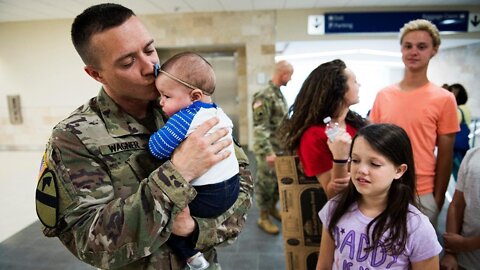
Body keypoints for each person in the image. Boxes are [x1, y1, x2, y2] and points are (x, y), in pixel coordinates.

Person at [34, 4, 253, 270]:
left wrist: (196, 229)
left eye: (149, 49)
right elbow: (88, 242)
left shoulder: (185, 109)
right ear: (96, 74)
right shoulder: (74, 137)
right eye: (128, 62)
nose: (150, 66)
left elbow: (241, 186)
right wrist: (177, 174)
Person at [149, 52, 240, 269]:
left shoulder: (185, 117)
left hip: (208, 195)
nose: (160, 102)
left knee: (165, 219)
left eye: (166, 96)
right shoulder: (218, 112)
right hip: (232, 188)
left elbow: (156, 148)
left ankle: (190, 255)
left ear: (195, 97)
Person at [369, 19, 459, 227]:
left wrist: (437, 200)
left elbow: (446, 155)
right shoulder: (384, 95)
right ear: (401, 49)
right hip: (384, 190)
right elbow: (373, 147)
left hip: (422, 193)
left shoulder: (444, 99)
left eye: (422, 46)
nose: (413, 52)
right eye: (408, 46)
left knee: (420, 258)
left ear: (434, 51)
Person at [316, 124, 442, 270]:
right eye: (355, 160)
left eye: (374, 164)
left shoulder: (416, 227)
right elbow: (323, 265)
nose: (361, 170)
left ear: (399, 170)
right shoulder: (335, 208)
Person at [281, 59, 367, 199]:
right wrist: (340, 158)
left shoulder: (355, 124)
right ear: (339, 89)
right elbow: (334, 194)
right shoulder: (313, 136)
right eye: (355, 82)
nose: (359, 85)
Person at [251, 60, 294, 234]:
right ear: (283, 73)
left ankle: (272, 209)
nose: (290, 79)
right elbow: (260, 127)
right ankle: (263, 217)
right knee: (266, 184)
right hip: (268, 150)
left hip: (279, 148)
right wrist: (268, 152)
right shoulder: (264, 96)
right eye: (290, 75)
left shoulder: (278, 93)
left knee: (276, 183)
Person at [440, 147, 480, 270]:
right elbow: (456, 205)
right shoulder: (472, 155)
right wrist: (451, 253)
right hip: (464, 260)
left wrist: (466, 244)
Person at [445, 83, 472, 181]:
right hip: (462, 147)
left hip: (455, 149)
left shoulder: (456, 110)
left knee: (459, 178)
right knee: (461, 177)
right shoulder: (465, 109)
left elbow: (449, 126)